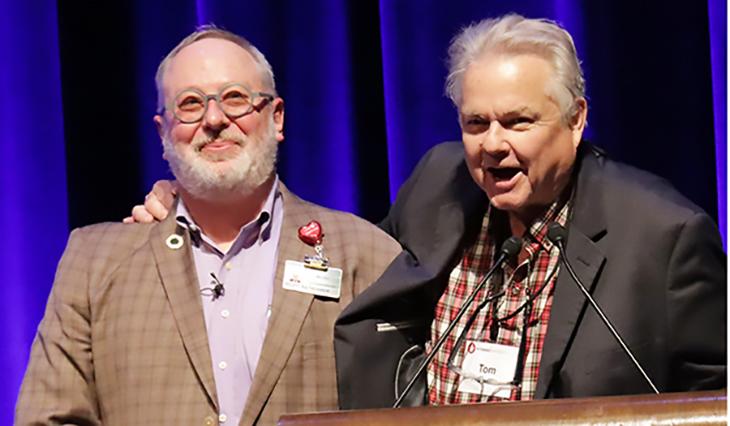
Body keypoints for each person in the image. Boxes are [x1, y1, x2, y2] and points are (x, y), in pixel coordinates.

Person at [128, 14, 726, 411]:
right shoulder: (440, 182)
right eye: (476, 122)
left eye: (518, 121)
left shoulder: (663, 236)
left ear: (575, 120)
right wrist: (195, 205)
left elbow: (715, 402)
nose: (492, 144)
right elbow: (338, 263)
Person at [16, 26, 401, 425]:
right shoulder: (94, 263)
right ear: (162, 131)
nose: (214, 119)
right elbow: (49, 419)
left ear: (277, 117)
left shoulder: (365, 255)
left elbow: (402, 414)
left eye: (235, 98)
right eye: (190, 104)